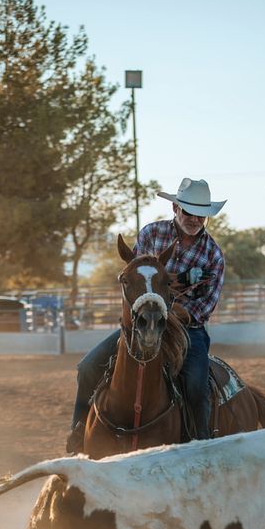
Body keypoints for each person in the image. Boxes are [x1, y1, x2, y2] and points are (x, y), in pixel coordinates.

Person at [67, 177, 226, 453]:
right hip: (143, 321)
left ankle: (201, 446)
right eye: (189, 212)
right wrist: (179, 281)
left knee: (196, 385)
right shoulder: (152, 234)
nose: (195, 220)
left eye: (201, 215)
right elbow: (138, 276)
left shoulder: (213, 254)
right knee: (88, 367)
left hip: (189, 329)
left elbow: (207, 304)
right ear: (176, 208)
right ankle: (79, 433)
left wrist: (177, 311)